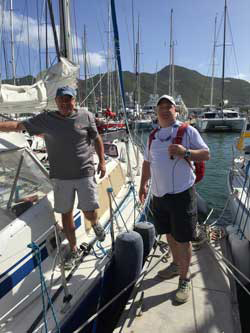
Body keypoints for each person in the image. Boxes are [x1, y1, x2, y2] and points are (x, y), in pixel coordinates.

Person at [0, 86, 106, 269]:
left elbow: (96, 138)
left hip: (84, 173)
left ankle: (95, 223)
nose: (65, 103)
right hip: (61, 178)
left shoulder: (86, 116)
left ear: (74, 100)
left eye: (69, 99)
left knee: (89, 212)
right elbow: (18, 126)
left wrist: (102, 162)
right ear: (56, 102)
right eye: (61, 100)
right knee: (66, 214)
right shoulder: (46, 120)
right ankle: (73, 249)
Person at [139, 95, 210, 303]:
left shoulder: (187, 131)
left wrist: (186, 152)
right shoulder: (153, 136)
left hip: (181, 194)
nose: (164, 110)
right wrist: (143, 184)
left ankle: (185, 279)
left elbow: (206, 154)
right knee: (168, 234)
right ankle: (176, 263)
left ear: (175, 110)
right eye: (160, 107)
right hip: (159, 195)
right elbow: (146, 162)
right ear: (156, 112)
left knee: (183, 238)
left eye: (168, 106)